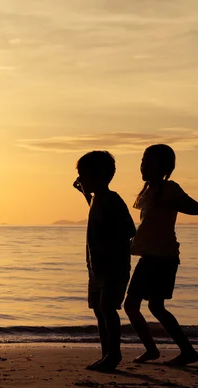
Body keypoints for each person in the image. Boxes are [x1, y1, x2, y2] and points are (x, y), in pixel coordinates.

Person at [124, 144, 198, 366]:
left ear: (164, 167)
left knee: (154, 307)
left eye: (148, 162)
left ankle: (187, 351)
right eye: (142, 161)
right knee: (132, 306)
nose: (143, 166)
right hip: (148, 256)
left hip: (164, 257)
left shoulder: (169, 188)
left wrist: (174, 202)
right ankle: (153, 350)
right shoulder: (147, 191)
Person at [74, 151, 136, 372]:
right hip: (96, 267)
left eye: (84, 175)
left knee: (107, 308)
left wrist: (109, 243)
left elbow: (129, 229)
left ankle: (114, 354)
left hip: (113, 265)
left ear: (99, 176)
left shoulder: (112, 200)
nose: (80, 179)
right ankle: (106, 353)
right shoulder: (97, 199)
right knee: (99, 309)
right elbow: (93, 205)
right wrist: (82, 190)